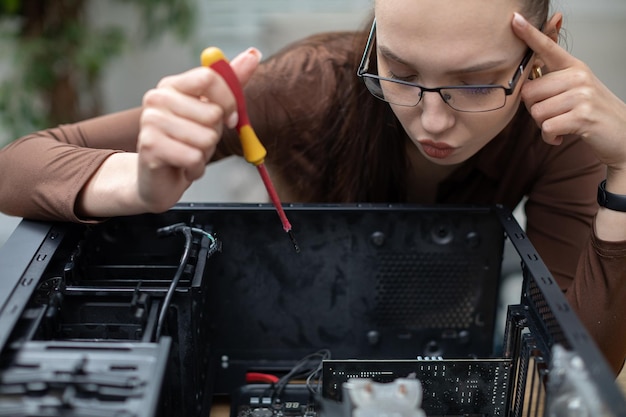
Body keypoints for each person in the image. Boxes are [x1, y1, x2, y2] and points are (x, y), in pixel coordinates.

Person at [1, 0, 626, 373]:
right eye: (401, 72)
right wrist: (140, 186)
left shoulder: (556, 129)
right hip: (291, 336)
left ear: (539, 51)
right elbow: (17, 165)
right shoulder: (312, 87)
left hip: (446, 349)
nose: (433, 121)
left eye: (478, 82)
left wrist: (624, 176)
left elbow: (575, 369)